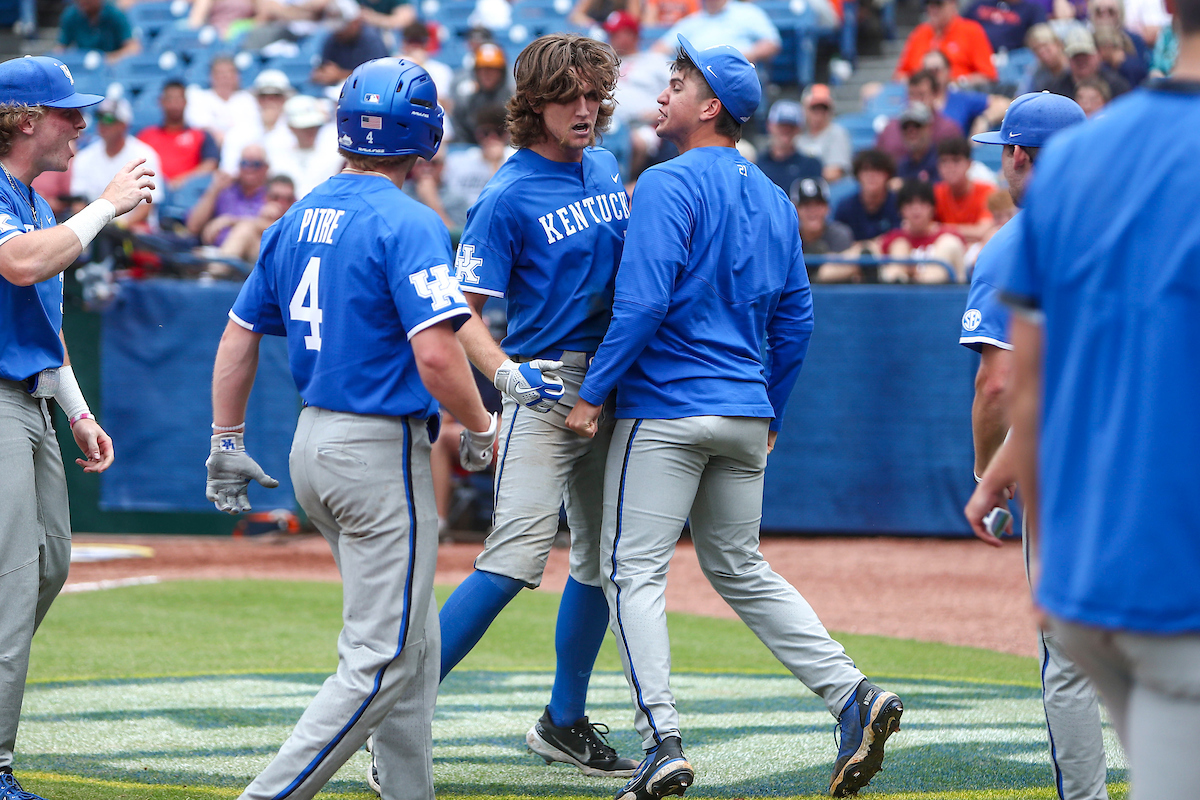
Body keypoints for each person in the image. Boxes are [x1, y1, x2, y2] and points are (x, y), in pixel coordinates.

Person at [564, 36, 904, 800]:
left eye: (678, 83)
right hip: (745, 409)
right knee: (740, 567)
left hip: (667, 411)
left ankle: (661, 743)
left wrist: (592, 394)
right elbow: (798, 321)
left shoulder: (664, 181)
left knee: (631, 573)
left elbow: (642, 303)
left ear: (709, 105)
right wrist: (770, 409)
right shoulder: (777, 198)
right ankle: (852, 694)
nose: (663, 94)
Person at [206, 56, 495, 800]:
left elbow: (238, 335)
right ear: (424, 133)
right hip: (375, 450)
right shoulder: (409, 219)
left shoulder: (295, 215)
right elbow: (437, 354)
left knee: (415, 639)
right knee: (384, 655)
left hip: (313, 444)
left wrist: (226, 439)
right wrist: (480, 423)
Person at [384, 33, 639, 783]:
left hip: (610, 383)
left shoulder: (605, 166)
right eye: (568, 97)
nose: (585, 109)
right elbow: (457, 311)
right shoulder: (506, 193)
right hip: (545, 384)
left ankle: (563, 720)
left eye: (593, 95)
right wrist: (506, 375)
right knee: (513, 560)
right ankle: (392, 715)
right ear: (534, 104)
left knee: (600, 560)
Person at [0, 54, 153, 800]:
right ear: (26, 120)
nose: (81, 126)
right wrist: (105, 207)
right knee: (10, 581)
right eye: (68, 113)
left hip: (31, 400)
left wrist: (79, 410)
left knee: (50, 565)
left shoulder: (32, 202)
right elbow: (20, 266)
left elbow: (45, 324)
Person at [958, 89, 1109, 800]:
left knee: (1070, 653)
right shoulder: (1132, 224)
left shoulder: (1018, 242)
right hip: (1161, 451)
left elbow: (998, 384)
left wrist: (988, 472)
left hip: (1070, 462)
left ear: (1018, 155)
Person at [70, 97, 165, 231]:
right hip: (95, 229)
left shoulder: (144, 155)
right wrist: (92, 228)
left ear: (124, 125)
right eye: (99, 118)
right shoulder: (85, 157)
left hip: (131, 229)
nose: (103, 124)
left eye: (109, 119)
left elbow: (147, 206)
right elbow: (78, 202)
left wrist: (120, 226)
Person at [137, 81, 221, 193]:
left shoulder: (200, 135)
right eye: (169, 99)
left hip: (188, 194)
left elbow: (210, 164)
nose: (174, 104)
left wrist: (182, 181)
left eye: (178, 99)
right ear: (161, 102)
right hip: (151, 192)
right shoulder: (146, 135)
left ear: (185, 102)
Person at [894, 0, 998, 86]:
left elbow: (988, 76)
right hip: (921, 98)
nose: (932, 8)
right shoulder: (919, 33)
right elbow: (900, 75)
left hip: (959, 95)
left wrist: (957, 82)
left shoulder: (971, 31)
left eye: (938, 3)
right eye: (928, 3)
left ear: (953, 3)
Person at [651, 0, 784, 66]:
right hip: (697, 74)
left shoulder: (747, 12)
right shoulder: (692, 21)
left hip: (734, 71)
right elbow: (659, 48)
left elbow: (772, 43)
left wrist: (741, 57)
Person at [879, 179, 964, 282]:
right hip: (901, 289)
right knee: (899, 245)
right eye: (909, 204)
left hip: (943, 289)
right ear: (901, 210)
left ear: (932, 208)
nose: (916, 209)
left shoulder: (949, 234)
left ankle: (926, 282)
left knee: (949, 243)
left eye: (922, 203)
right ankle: (897, 280)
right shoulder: (892, 238)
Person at [186, 143, 271, 245]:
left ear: (266, 168)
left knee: (245, 230)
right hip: (216, 249)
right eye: (244, 163)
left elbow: (277, 229)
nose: (249, 169)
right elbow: (193, 227)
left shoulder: (273, 195)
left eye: (256, 164)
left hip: (254, 252)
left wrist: (230, 221)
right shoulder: (225, 191)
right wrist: (214, 190)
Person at [875, 70, 965, 162]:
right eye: (912, 95)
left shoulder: (948, 130)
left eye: (921, 95)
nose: (916, 101)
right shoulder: (890, 129)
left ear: (935, 95)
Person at [219, 69, 296, 175]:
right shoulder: (239, 130)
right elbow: (229, 169)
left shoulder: (298, 128)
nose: (269, 101)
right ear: (256, 99)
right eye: (263, 96)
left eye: (276, 96)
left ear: (285, 99)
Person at [270, 95, 344, 199]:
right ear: (291, 127)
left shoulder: (334, 155)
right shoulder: (277, 156)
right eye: (304, 127)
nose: (311, 131)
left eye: (314, 126)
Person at [215, 174, 296, 264]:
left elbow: (279, 231)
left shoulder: (297, 215)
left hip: (283, 260)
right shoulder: (261, 210)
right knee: (245, 230)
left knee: (245, 228)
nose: (281, 203)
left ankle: (217, 269)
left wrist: (229, 221)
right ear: (266, 197)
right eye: (275, 197)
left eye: (288, 199)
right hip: (258, 257)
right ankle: (218, 268)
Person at [185, 56, 260, 148]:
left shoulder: (247, 99)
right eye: (220, 73)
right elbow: (202, 127)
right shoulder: (200, 98)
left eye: (229, 73)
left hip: (243, 149)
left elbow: (253, 128)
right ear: (211, 76)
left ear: (237, 77)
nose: (225, 77)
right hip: (211, 148)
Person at [933, 136, 995, 242]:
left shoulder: (987, 191)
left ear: (969, 164)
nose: (950, 167)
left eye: (956, 161)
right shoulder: (935, 192)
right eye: (944, 161)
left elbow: (982, 232)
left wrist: (941, 229)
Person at [834, 148, 901, 244]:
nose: (871, 176)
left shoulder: (898, 204)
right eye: (866, 170)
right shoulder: (845, 207)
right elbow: (838, 240)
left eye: (877, 170)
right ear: (858, 175)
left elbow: (902, 236)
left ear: (887, 175)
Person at [311, 9, 390, 89]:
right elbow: (324, 66)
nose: (339, 32)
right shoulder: (332, 38)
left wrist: (340, 75)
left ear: (355, 22)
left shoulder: (371, 40)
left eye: (343, 27)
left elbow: (377, 76)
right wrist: (321, 74)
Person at [452, 43, 513, 145]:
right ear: (475, 73)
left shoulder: (513, 101)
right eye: (482, 70)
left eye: (492, 69)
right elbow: (461, 135)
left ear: (502, 73)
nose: (487, 74)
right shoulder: (467, 102)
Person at [756, 100, 822, 193]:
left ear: (798, 129)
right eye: (782, 126)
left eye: (791, 127)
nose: (786, 130)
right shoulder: (758, 164)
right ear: (769, 126)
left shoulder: (810, 165)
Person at [1048, 27, 1132, 96]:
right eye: (1075, 56)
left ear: (1097, 55)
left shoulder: (1116, 86)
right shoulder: (1057, 89)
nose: (1081, 61)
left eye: (1085, 55)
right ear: (1068, 59)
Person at [795, 83, 852, 182]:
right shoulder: (797, 133)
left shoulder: (837, 133)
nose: (819, 114)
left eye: (824, 109)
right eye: (814, 109)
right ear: (804, 109)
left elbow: (834, 173)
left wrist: (797, 173)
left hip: (828, 188)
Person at [55, 0, 140, 63]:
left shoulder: (115, 14)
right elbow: (61, 48)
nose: (83, 2)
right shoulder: (70, 15)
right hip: (83, 67)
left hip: (112, 69)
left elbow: (133, 47)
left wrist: (112, 58)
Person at [963, 0, 1047, 52]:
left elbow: (1040, 35)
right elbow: (961, 26)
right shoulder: (979, 4)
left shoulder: (1032, 9)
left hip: (1013, 57)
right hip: (975, 54)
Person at [892, 103, 941, 183]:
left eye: (917, 125)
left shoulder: (941, 161)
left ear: (929, 128)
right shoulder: (902, 166)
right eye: (905, 126)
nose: (911, 131)